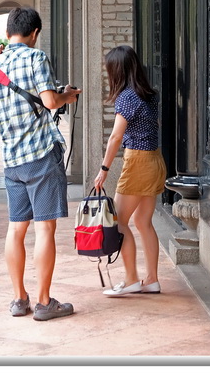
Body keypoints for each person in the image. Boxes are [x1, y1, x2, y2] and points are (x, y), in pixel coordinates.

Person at [0, 6, 81, 321]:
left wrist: (6, 130)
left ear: (7, 33)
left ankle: (20, 299)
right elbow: (49, 101)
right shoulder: (37, 58)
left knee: (16, 229)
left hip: (12, 162)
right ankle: (46, 302)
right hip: (41, 157)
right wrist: (67, 97)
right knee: (45, 229)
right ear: (35, 33)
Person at [93, 44, 167, 297]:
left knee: (118, 221)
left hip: (138, 163)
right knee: (143, 221)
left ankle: (132, 279)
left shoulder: (127, 97)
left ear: (118, 70)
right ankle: (152, 280)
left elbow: (115, 137)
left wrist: (104, 169)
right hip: (155, 160)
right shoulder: (149, 94)